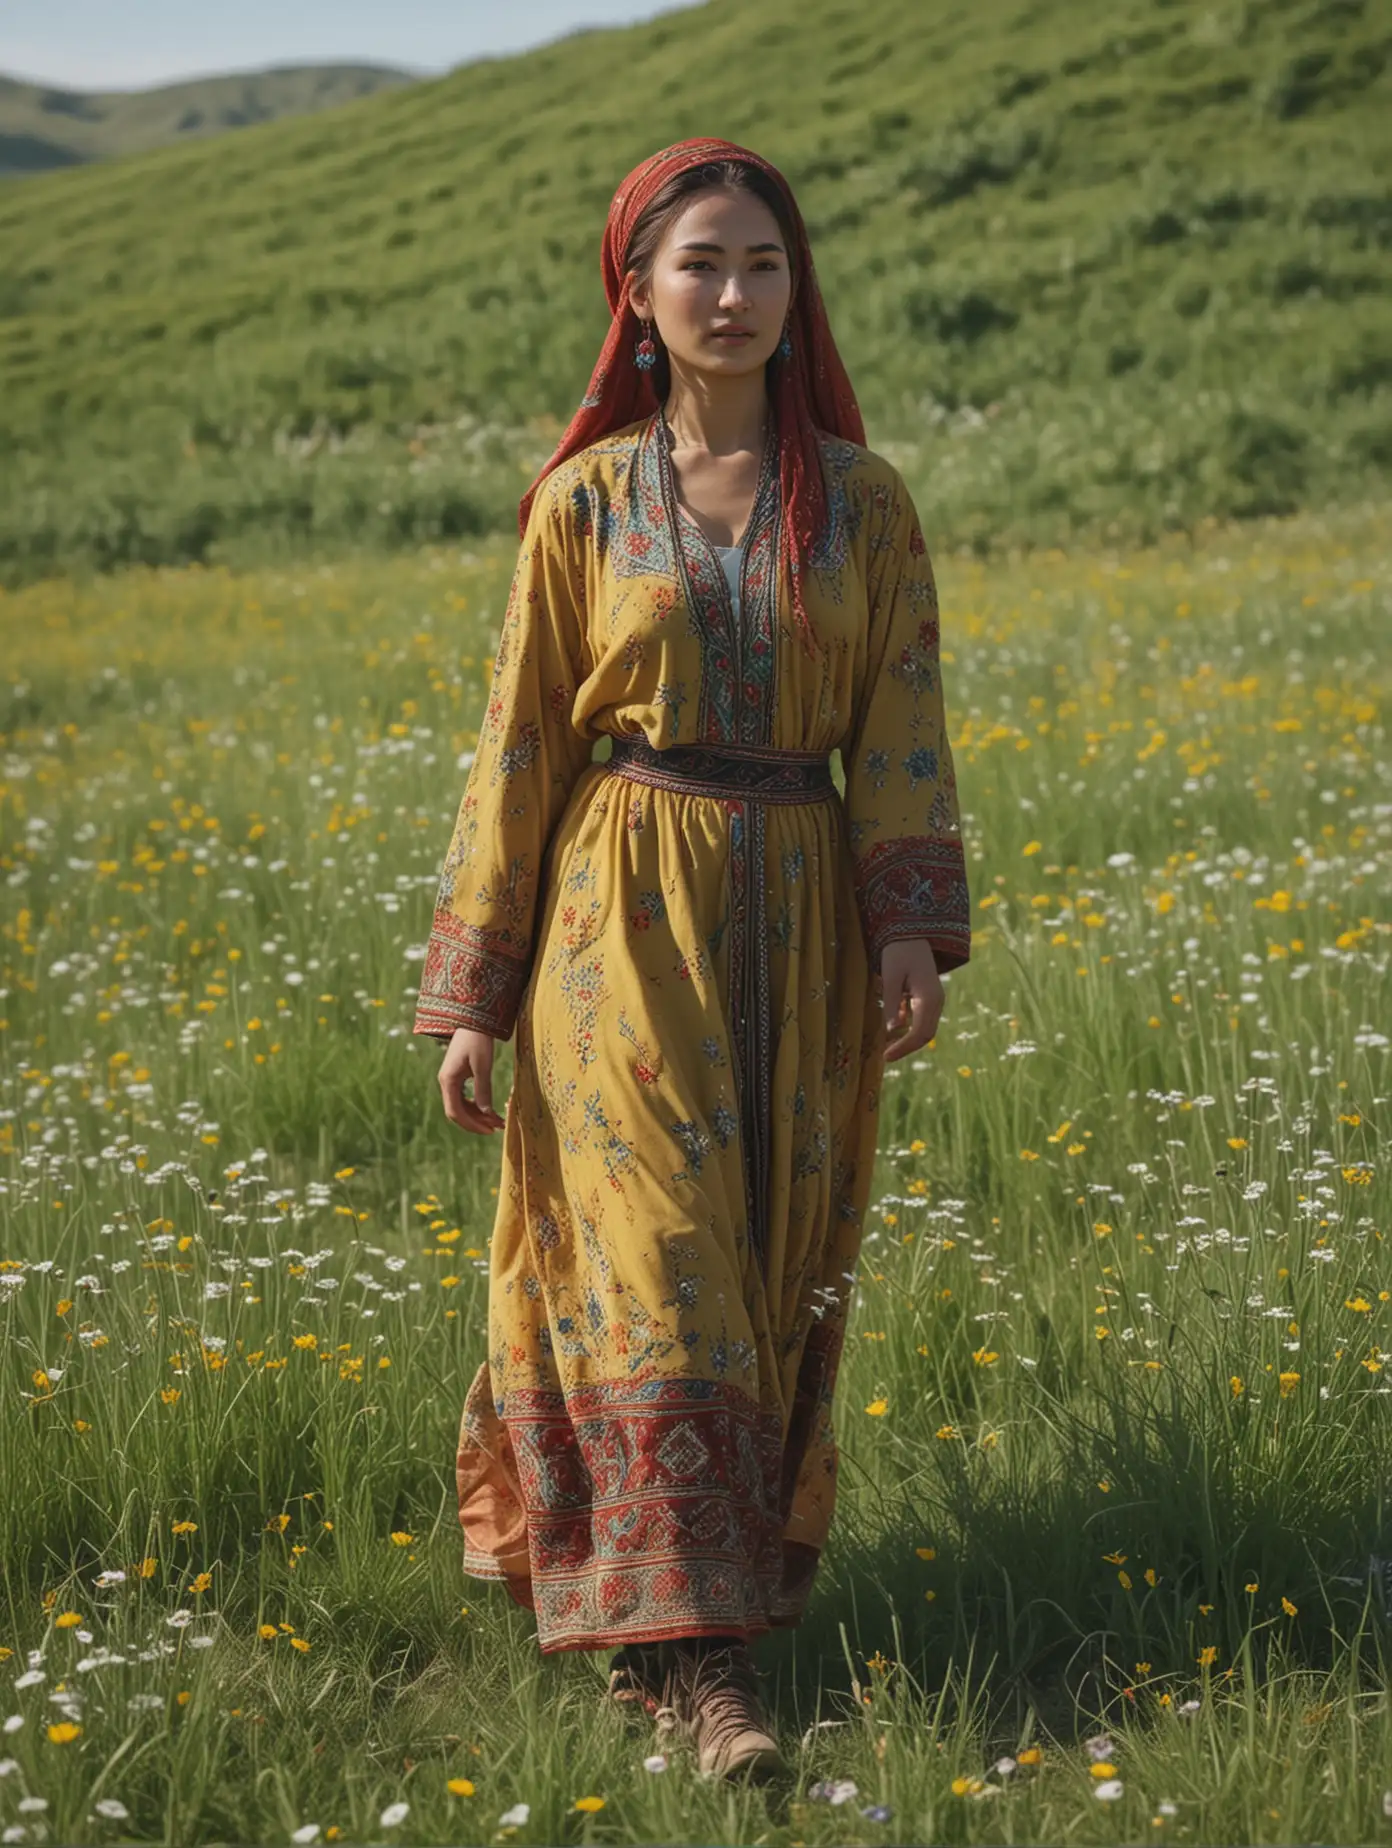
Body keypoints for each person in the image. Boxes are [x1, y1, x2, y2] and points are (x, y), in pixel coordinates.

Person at [413, 136, 970, 1780]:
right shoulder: (585, 506)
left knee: (762, 1278)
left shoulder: (867, 507)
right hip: (617, 926)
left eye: (763, 265)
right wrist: (475, 990)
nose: (734, 295)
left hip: (801, 926)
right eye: (701, 265)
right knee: (657, 1275)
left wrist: (911, 922)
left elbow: (905, 727)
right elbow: (519, 742)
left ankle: (659, 1645)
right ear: (639, 296)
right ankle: (710, 1679)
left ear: (799, 297)